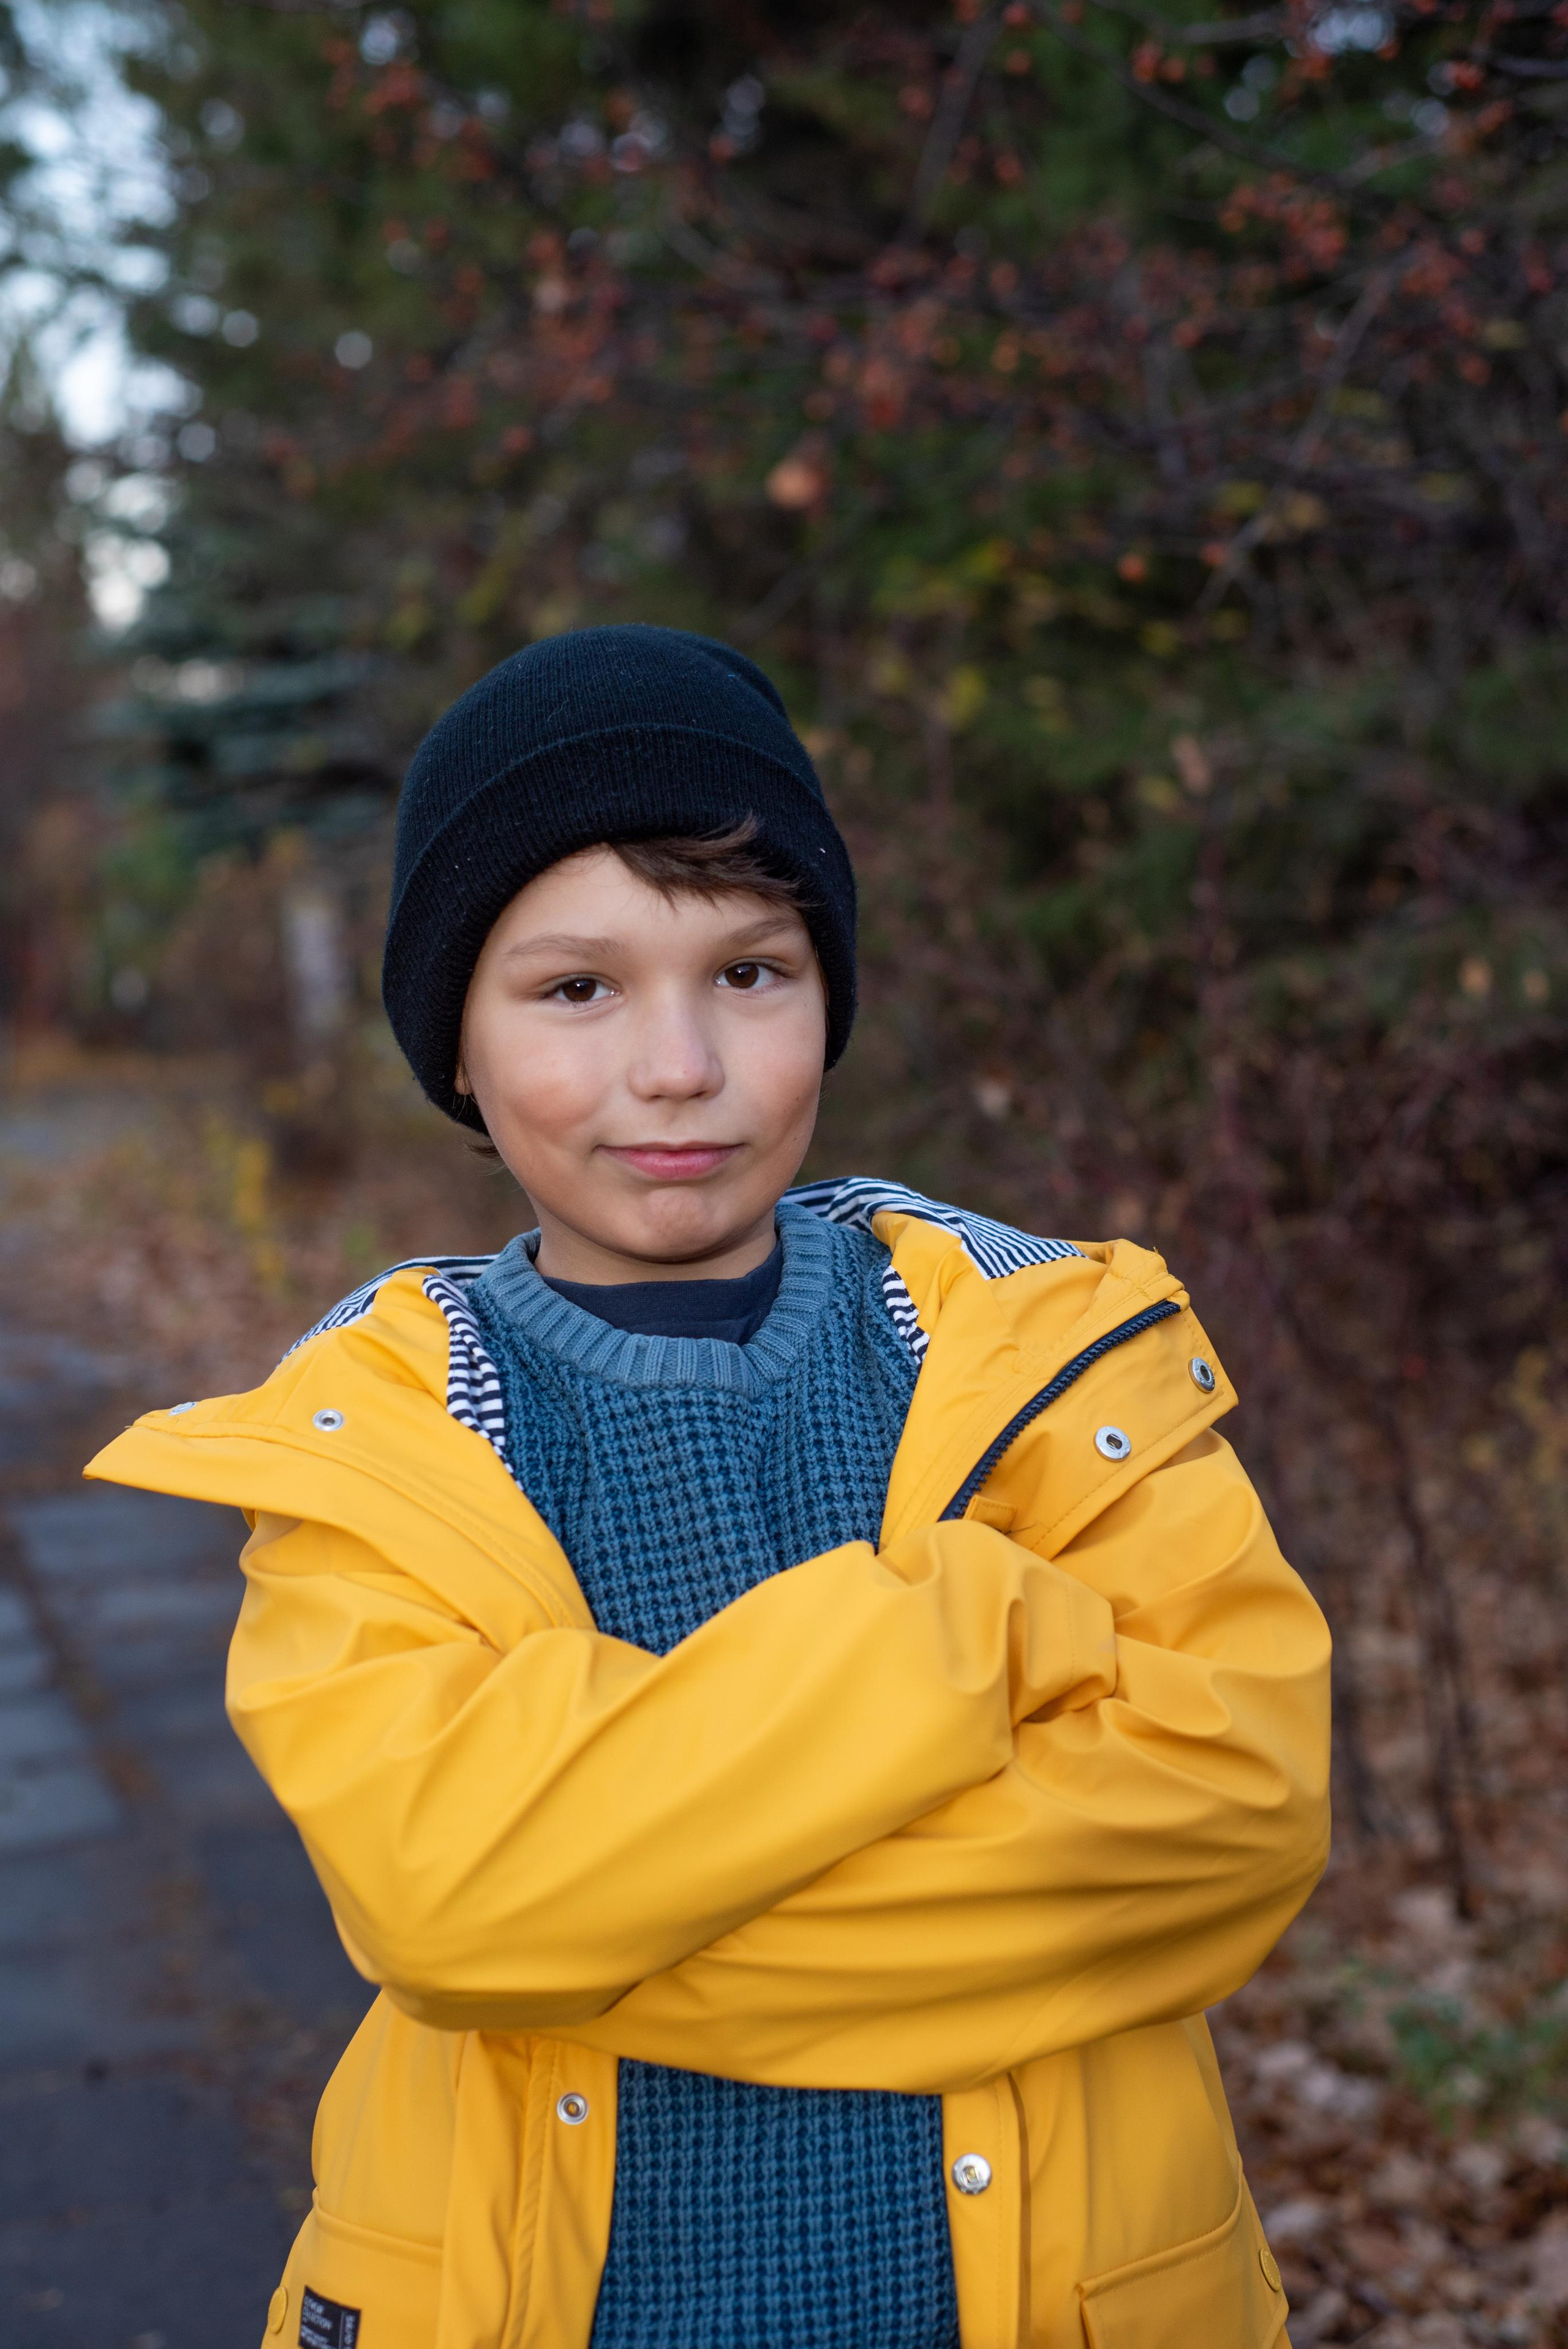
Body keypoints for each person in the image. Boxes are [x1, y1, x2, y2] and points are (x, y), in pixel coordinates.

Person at [87, 625, 1330, 2349]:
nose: (677, 1065)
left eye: (749, 971)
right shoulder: (392, 1432)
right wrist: (965, 1633)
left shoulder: (1036, 1348)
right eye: (576, 989)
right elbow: (449, 1899)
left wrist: (603, 1925)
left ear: (829, 995)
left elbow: (1235, 1804)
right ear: (457, 1043)